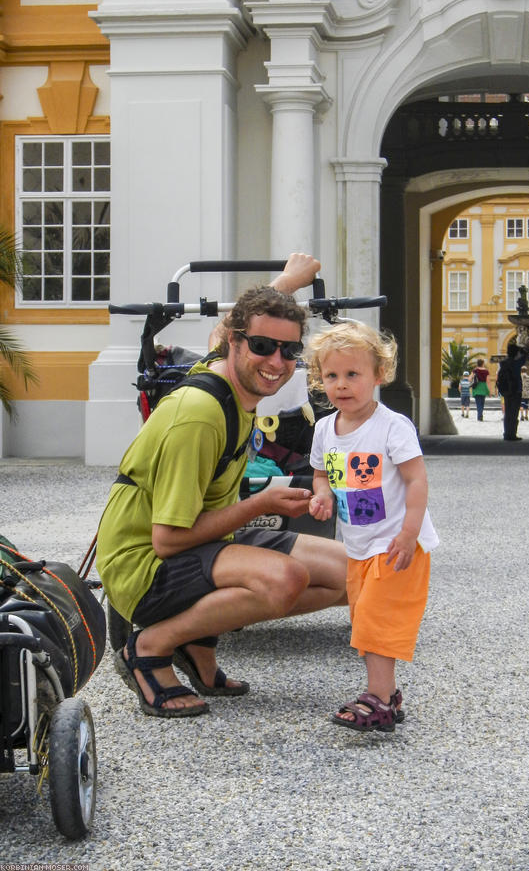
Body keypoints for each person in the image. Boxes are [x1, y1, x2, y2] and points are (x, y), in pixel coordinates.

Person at [96, 254, 348, 719]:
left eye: (289, 351)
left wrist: (288, 283)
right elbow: (167, 540)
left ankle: (196, 636)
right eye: (262, 346)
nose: (276, 361)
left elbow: (232, 326)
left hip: (208, 539)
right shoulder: (199, 415)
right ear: (237, 344)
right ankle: (150, 647)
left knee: (356, 574)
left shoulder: (231, 368)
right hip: (143, 564)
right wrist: (262, 504)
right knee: (284, 580)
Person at [306, 322, 439, 732]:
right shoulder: (325, 429)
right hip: (359, 545)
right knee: (365, 621)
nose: (341, 385)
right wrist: (323, 495)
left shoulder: (391, 426)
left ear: (378, 376)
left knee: (378, 621)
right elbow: (321, 474)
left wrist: (410, 531)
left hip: (397, 544)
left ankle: (378, 698)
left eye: (352, 374)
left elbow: (417, 480)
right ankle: (389, 694)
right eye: (331, 376)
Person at [496, 343, 526, 442]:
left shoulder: (503, 362)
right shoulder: (517, 363)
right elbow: (525, 355)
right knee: (514, 413)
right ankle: (512, 434)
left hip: (506, 390)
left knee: (508, 412)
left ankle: (506, 433)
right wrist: (522, 349)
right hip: (516, 389)